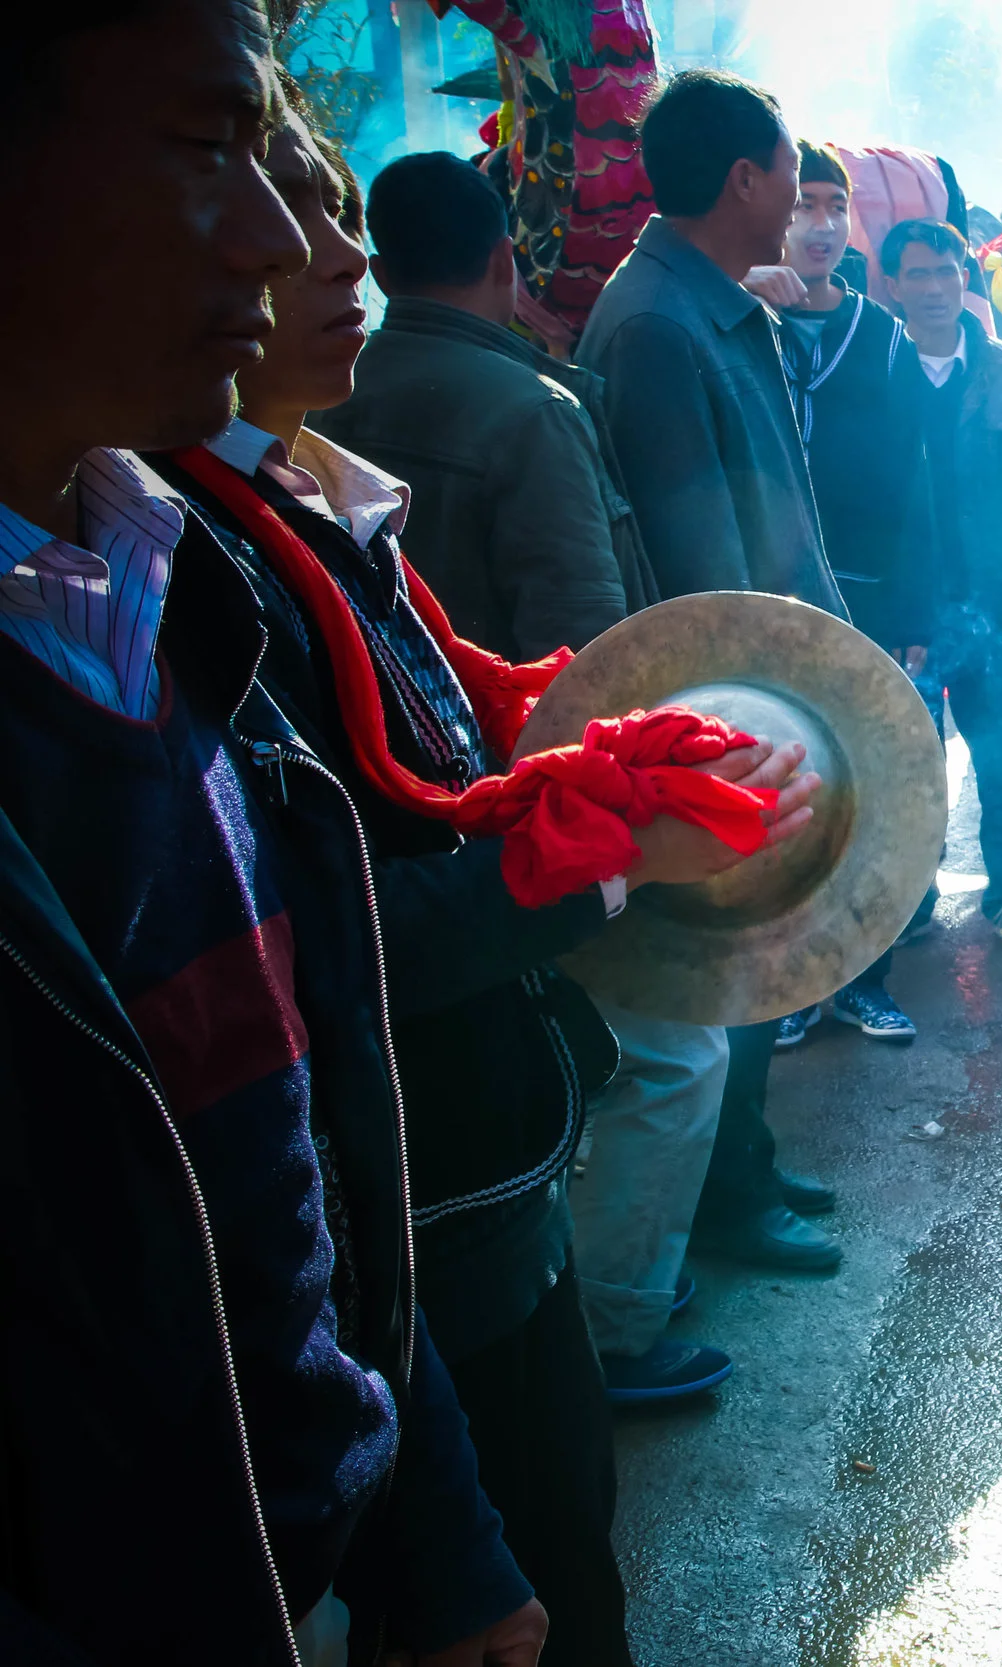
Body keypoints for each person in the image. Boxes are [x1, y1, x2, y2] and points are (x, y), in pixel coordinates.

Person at [154, 108, 804, 1662]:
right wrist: (599, 861)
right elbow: (311, 946)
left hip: (481, 1162)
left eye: (326, 209)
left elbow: (449, 743)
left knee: (567, 1553)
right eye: (242, 188)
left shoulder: (317, 497)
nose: (319, 258)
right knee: (498, 1598)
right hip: (400, 1199)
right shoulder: (182, 557)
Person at [0, 6, 535, 1659]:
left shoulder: (159, 585)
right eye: (203, 145)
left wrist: (431, 1524)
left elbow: (280, 1140)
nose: (293, 241)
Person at [578, 69, 849, 1279]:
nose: (801, 196)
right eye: (791, 171)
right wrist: (768, 698)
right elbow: (699, 568)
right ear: (745, 178)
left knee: (761, 946)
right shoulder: (655, 326)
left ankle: (747, 1159)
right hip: (731, 691)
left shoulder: (718, 309)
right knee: (733, 947)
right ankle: (728, 1203)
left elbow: (783, 514)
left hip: (782, 664)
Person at [314, 151, 654, 663]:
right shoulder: (536, 413)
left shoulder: (324, 390)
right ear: (503, 259)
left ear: (379, 274)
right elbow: (583, 650)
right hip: (498, 735)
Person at [745, 138, 927, 1045]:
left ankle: (864, 977)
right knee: (785, 792)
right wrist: (746, 304)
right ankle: (791, 984)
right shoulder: (738, 316)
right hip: (766, 596)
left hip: (865, 599)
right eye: (804, 203)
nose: (820, 223)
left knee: (871, 791)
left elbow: (911, 478)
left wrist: (912, 608)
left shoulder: (880, 333)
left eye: (834, 205)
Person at [884, 216, 1002, 951]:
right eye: (917, 274)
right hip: (907, 610)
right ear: (890, 285)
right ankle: (910, 901)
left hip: (988, 603)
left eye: (947, 272)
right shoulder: (875, 366)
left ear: (967, 279)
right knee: (910, 767)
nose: (933, 288)